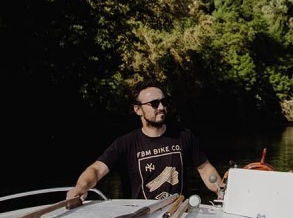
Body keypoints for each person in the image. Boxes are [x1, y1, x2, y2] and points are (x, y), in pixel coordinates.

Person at [67, 84, 222, 202]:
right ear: (138, 110)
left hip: (177, 214)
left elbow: (205, 169)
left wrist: (222, 191)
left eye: (163, 102)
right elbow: (96, 169)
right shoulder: (126, 143)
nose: (161, 107)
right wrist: (81, 187)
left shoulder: (183, 136)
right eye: (154, 103)